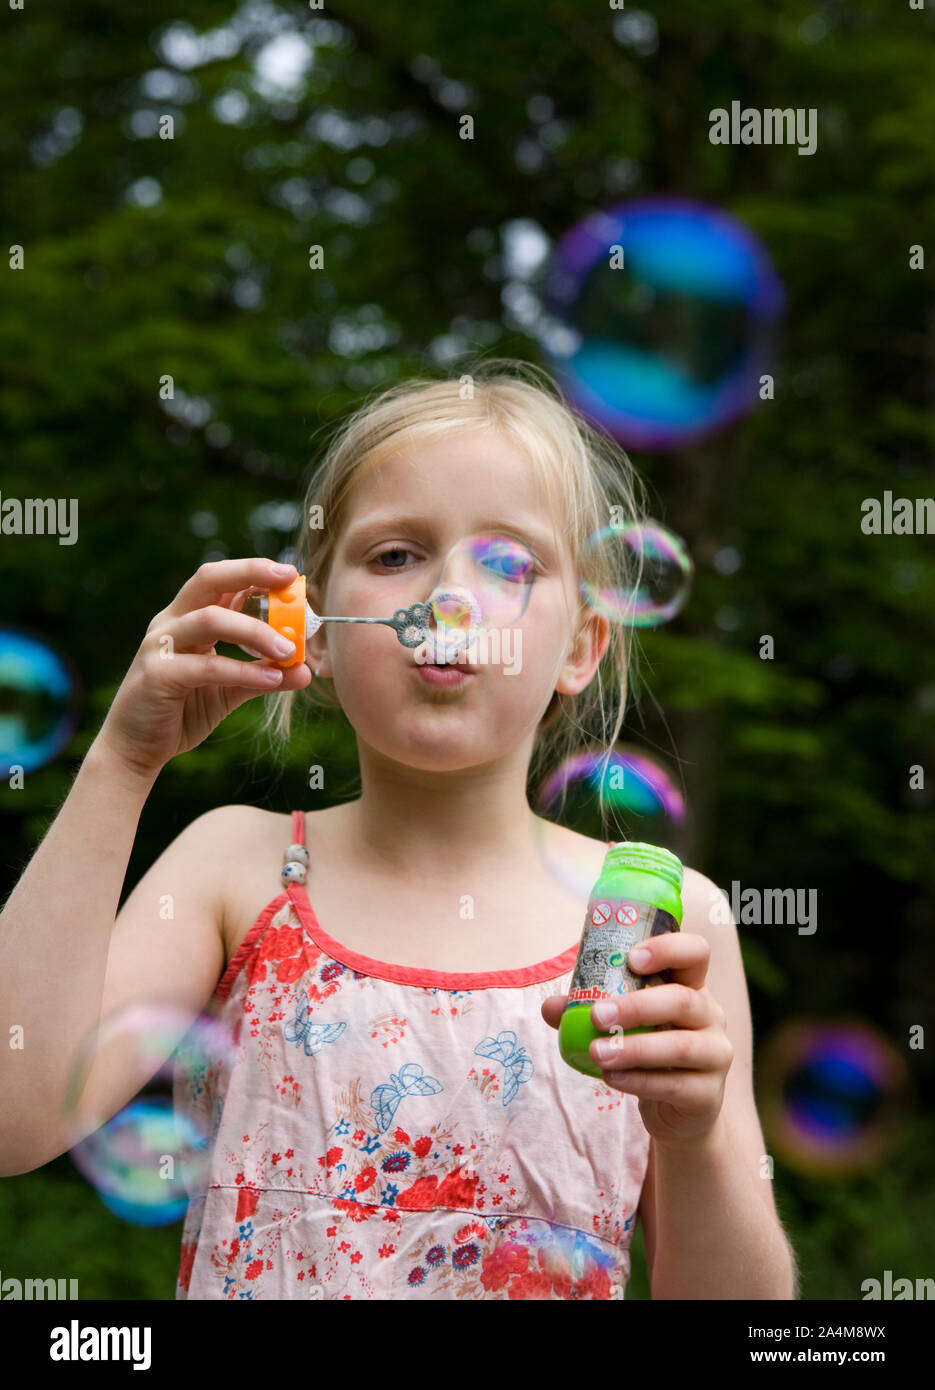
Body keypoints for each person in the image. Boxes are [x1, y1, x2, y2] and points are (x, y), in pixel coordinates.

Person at [0, 360, 798, 1300]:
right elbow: (15, 1120)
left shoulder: (655, 916)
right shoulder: (236, 866)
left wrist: (695, 1136)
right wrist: (121, 767)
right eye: (394, 557)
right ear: (318, 635)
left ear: (582, 645)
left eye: (508, 564)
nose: (447, 602)